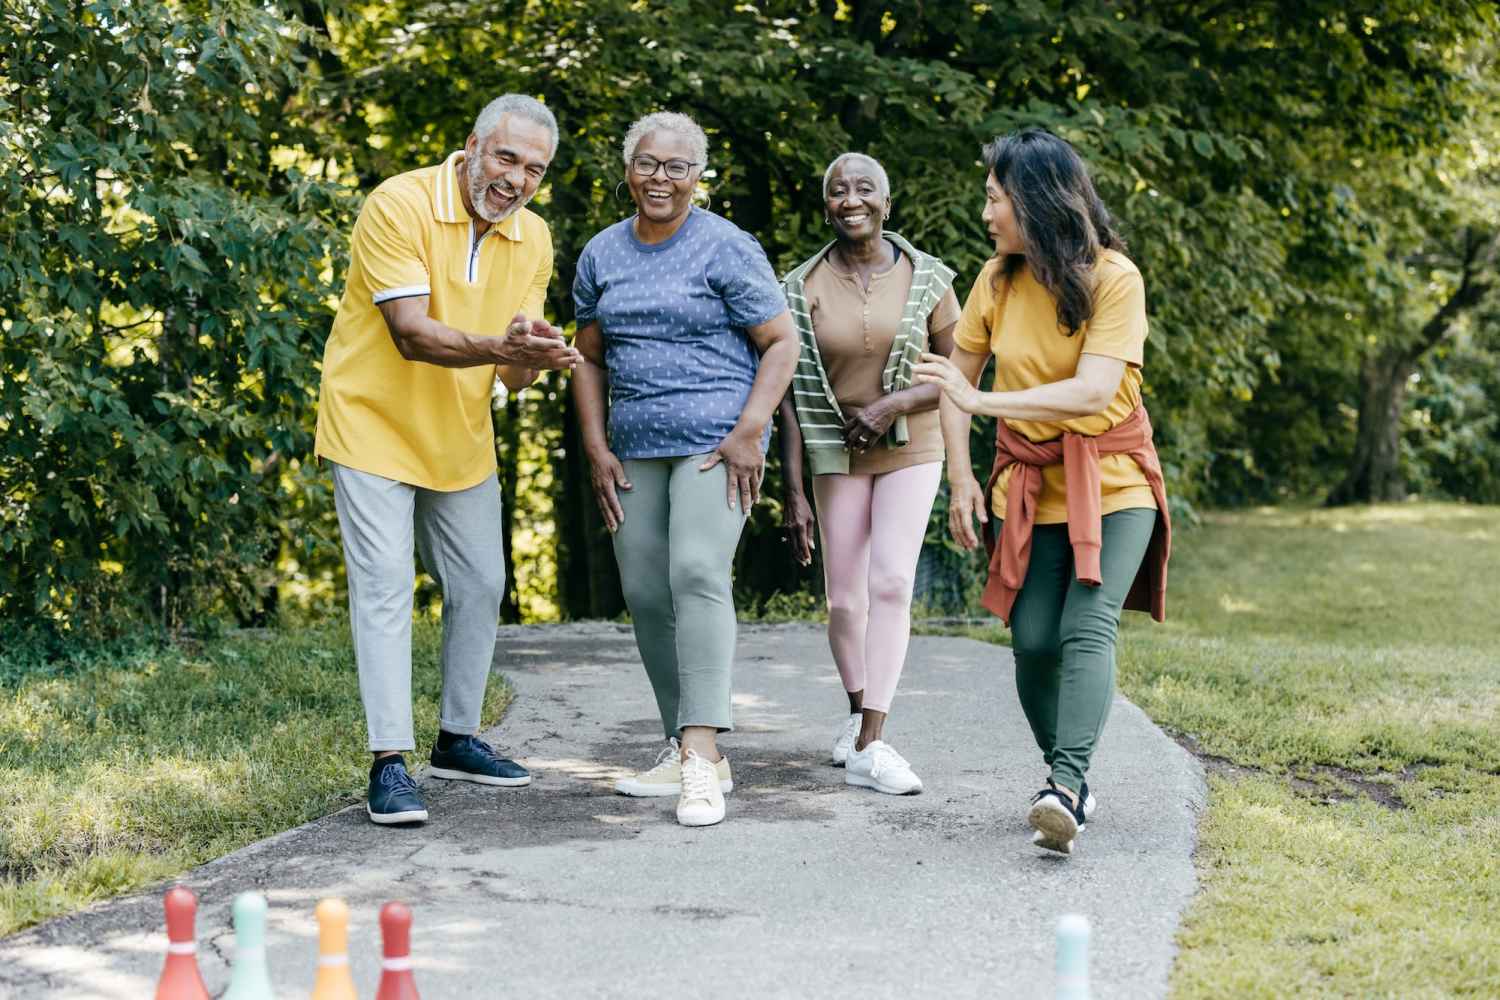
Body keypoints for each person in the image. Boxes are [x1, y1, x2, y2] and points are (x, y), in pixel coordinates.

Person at [314, 95, 581, 826]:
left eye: (534, 169)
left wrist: (536, 352)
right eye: (506, 158)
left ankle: (457, 738)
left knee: (481, 582)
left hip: (457, 433)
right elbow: (410, 333)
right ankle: (389, 762)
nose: (517, 179)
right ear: (472, 147)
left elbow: (511, 372)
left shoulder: (534, 237)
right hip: (370, 421)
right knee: (384, 586)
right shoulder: (399, 203)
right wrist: (502, 347)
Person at [913, 128, 1171, 855]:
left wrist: (982, 402)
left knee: (1086, 627)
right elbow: (951, 386)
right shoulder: (996, 280)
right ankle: (1075, 784)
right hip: (1027, 488)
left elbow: (1092, 391)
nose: (986, 211)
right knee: (1031, 643)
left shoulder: (1115, 278)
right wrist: (960, 478)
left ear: (1034, 201)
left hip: (1114, 484)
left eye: (995, 197)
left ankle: (1064, 785)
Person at [571, 111, 798, 828]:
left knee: (697, 573)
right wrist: (596, 445)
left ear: (698, 175)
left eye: (676, 167)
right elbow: (586, 355)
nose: (659, 178)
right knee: (644, 591)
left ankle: (702, 759)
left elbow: (782, 343)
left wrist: (751, 431)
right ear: (628, 169)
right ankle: (683, 744)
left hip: (715, 444)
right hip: (634, 448)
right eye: (647, 163)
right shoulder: (601, 254)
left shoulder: (727, 247)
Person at [776, 153, 960, 795]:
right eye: (837, 190)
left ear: (887, 201)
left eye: (864, 188)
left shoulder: (929, 278)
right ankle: (858, 715)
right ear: (825, 204)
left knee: (890, 583)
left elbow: (960, 374)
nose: (850, 198)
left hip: (911, 443)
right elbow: (791, 396)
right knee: (844, 598)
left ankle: (875, 743)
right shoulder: (797, 288)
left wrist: (893, 405)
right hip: (835, 448)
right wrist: (793, 489)